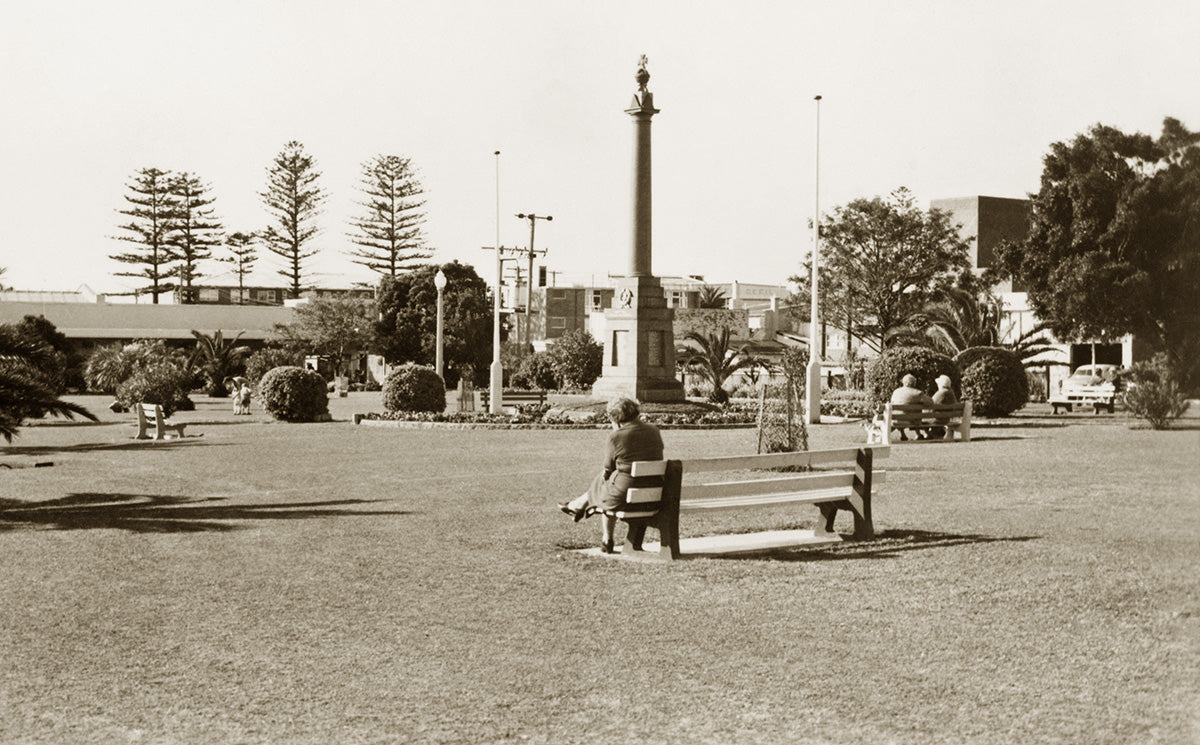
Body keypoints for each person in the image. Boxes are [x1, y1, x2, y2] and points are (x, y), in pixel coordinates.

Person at [557, 396, 664, 553]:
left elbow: (608, 468)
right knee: (610, 482)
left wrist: (617, 432)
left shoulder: (616, 437)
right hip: (653, 495)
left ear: (615, 417)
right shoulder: (654, 431)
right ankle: (577, 506)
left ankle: (606, 538)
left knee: (605, 481)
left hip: (624, 497)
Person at [890, 373, 934, 440]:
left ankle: (904, 435)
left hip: (895, 419)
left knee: (902, 412)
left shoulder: (896, 392)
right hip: (911, 420)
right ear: (914, 383)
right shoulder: (917, 393)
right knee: (915, 413)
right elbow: (930, 402)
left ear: (903, 382)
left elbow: (892, 402)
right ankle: (918, 434)